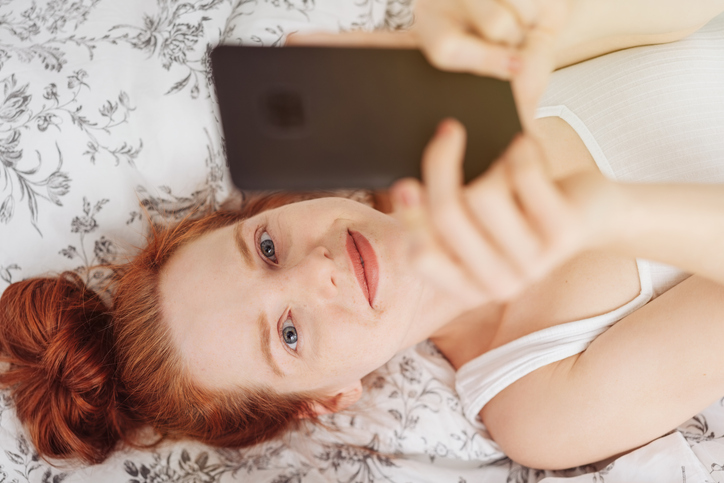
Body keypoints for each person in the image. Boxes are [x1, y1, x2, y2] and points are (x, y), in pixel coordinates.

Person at [0, 0, 723, 471]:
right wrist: (603, 212)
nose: (318, 270)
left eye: (268, 248)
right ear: (327, 398)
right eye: (287, 333)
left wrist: (539, 24)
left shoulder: (411, 118)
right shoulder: (536, 403)